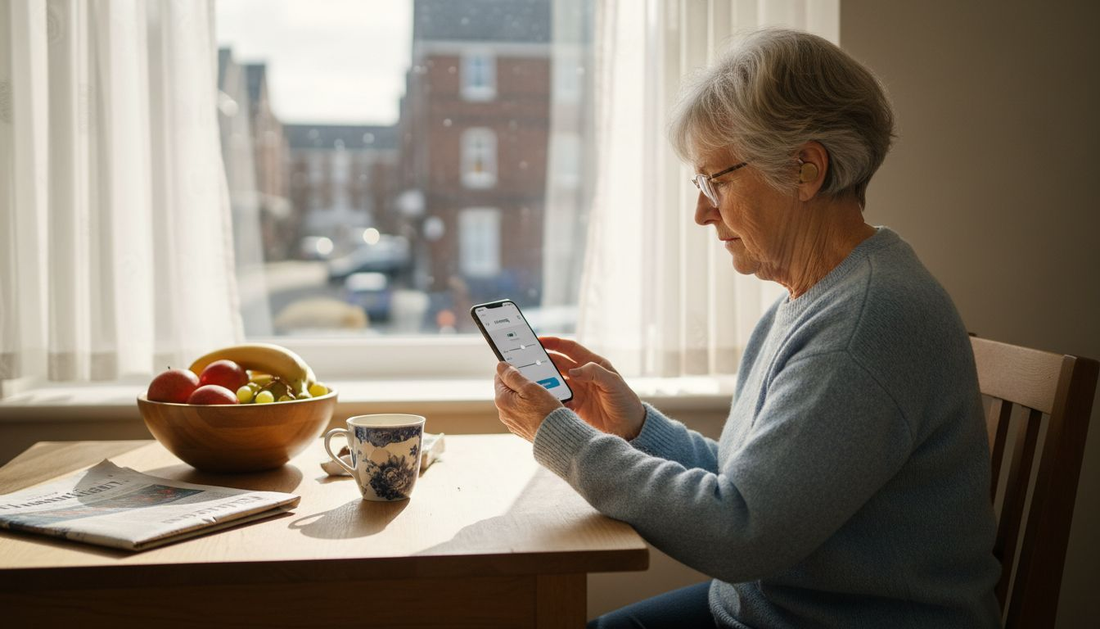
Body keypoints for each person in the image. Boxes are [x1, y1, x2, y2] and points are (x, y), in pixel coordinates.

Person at [492, 28, 1001, 628]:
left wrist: (563, 440)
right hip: (774, 610)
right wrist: (634, 426)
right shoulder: (816, 297)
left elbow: (740, 535)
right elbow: (756, 485)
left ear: (806, 170)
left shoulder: (867, 323)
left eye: (718, 180)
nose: (702, 212)